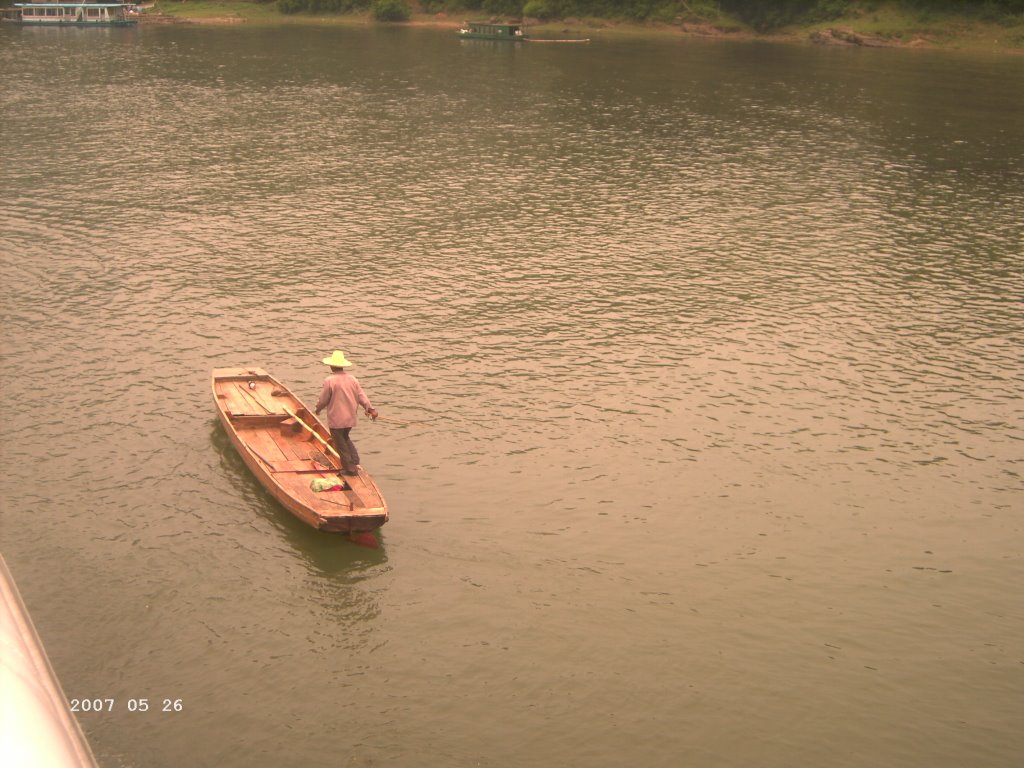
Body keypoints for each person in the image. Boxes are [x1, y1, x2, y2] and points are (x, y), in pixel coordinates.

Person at [314, 350, 378, 476]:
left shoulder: (330, 380)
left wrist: (318, 409)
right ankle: (355, 460)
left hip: (336, 420)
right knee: (345, 437)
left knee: (340, 443)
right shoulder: (353, 379)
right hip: (349, 418)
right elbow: (361, 396)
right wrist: (370, 408)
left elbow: (323, 400)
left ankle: (350, 469)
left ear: (332, 366)